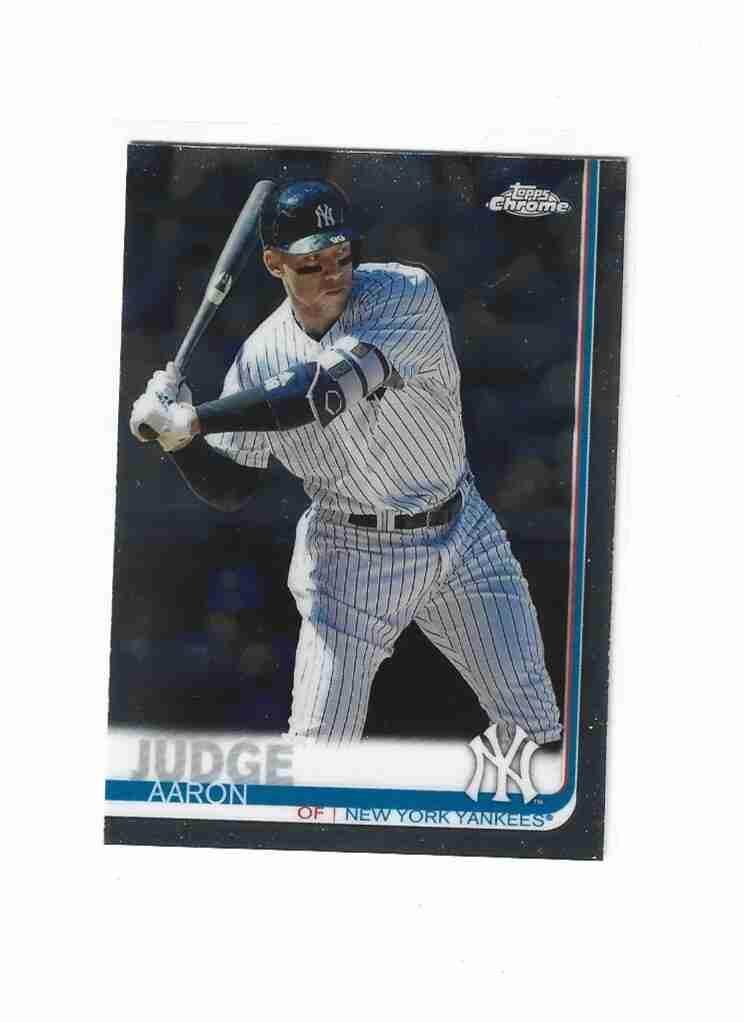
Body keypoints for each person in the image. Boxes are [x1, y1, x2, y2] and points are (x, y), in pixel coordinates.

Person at [130, 179, 561, 746]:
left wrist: (194, 418)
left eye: (341, 254)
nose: (334, 273)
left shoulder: (403, 294)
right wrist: (179, 444)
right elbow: (234, 487)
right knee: (318, 752)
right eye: (312, 263)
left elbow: (319, 391)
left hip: (463, 532)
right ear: (274, 264)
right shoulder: (259, 359)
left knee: (537, 731)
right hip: (350, 556)